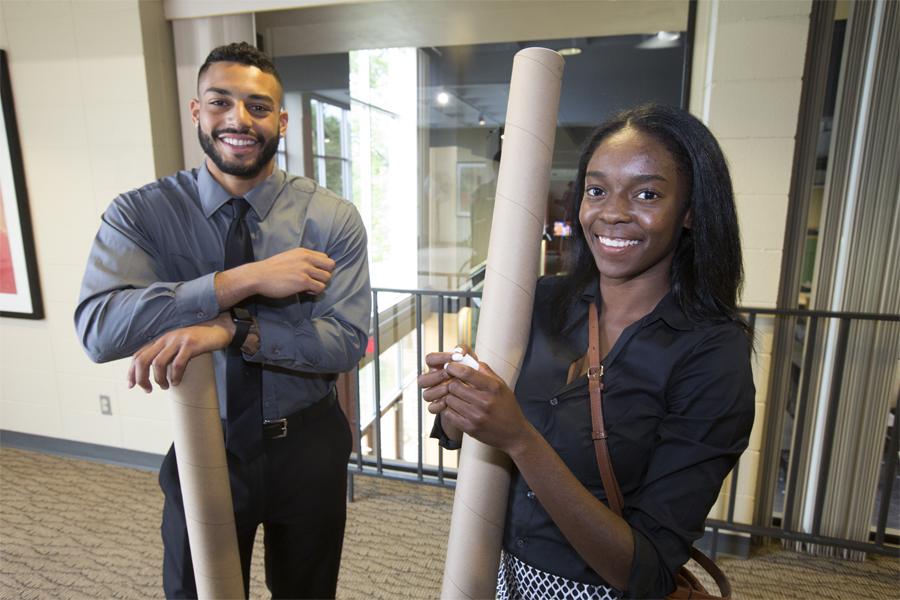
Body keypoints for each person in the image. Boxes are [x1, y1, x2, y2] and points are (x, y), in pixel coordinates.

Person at [419, 104, 755, 599]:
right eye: (597, 190)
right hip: (498, 574)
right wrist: (458, 403)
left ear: (690, 211)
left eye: (647, 194)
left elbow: (646, 571)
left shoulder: (711, 354)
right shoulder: (539, 302)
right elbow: (464, 440)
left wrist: (520, 439)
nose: (613, 212)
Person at [74, 42, 370, 599]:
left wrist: (232, 330)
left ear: (281, 120)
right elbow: (98, 327)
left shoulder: (332, 218)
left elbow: (347, 342)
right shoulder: (141, 213)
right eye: (220, 102)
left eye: (258, 107)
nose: (239, 119)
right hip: (203, 444)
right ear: (196, 112)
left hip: (308, 446)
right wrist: (239, 281)